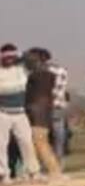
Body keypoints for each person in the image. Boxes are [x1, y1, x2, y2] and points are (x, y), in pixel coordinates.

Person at [0, 44, 42, 183]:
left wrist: (20, 54)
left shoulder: (22, 69)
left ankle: (33, 172)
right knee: (1, 144)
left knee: (27, 142)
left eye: (11, 57)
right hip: (3, 112)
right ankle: (3, 174)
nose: (9, 60)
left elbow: (34, 62)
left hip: (20, 113)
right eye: (6, 57)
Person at [24, 49, 62, 178]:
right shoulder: (48, 75)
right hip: (44, 112)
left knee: (40, 142)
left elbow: (32, 97)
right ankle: (32, 171)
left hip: (37, 113)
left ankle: (54, 170)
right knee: (37, 143)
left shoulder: (36, 76)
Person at [39, 49, 68, 167]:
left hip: (41, 109)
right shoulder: (61, 70)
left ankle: (43, 165)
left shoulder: (35, 72)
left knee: (41, 138)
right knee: (58, 137)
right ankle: (58, 164)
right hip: (57, 106)